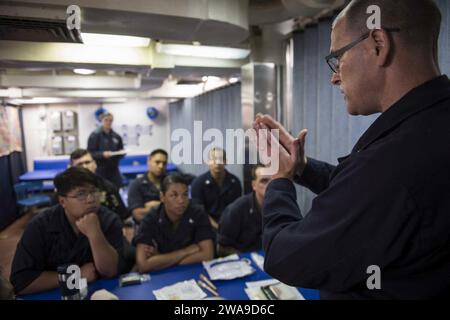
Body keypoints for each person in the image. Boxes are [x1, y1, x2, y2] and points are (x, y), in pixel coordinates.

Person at [254, 0, 450, 299]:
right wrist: (302, 167)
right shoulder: (429, 129)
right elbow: (372, 199)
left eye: (338, 58)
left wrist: (280, 179)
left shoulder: (393, 162)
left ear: (378, 44)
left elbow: (285, 256)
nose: (334, 77)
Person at [10, 167, 124, 295]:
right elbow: (21, 282)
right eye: (81, 194)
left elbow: (110, 271)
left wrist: (95, 234)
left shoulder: (109, 220)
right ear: (62, 201)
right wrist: (75, 276)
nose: (91, 199)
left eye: (94, 191)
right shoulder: (40, 226)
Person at [133, 174, 215, 273]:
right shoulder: (151, 218)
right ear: (162, 197)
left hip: (189, 272)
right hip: (160, 277)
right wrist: (185, 251)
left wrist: (160, 259)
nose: (181, 201)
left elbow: (207, 255)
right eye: (174, 195)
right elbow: (143, 265)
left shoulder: (197, 213)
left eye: (185, 195)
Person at [217, 164, 270, 256]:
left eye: (274, 180)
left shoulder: (283, 206)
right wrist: (249, 258)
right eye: (264, 181)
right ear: (254, 185)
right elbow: (222, 248)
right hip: (244, 261)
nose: (270, 185)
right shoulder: (235, 210)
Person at [191, 147, 242, 230]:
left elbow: (238, 209)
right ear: (208, 162)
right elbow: (199, 212)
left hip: (231, 225)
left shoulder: (235, 182)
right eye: (213, 159)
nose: (217, 163)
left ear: (226, 162)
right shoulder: (198, 183)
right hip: (206, 226)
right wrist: (217, 227)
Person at [70, 149, 128, 221]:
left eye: (87, 162)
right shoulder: (65, 190)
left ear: (95, 164)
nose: (84, 167)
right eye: (79, 164)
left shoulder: (108, 188)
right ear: (72, 168)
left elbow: (123, 216)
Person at [127, 149, 168, 223]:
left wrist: (155, 206)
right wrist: (168, 205)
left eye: (164, 163)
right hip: (147, 230)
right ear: (149, 162)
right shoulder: (136, 185)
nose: (161, 166)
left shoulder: (171, 183)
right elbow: (138, 215)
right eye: (157, 162)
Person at [87, 112, 125, 189]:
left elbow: (121, 151)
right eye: (106, 120)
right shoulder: (94, 135)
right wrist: (102, 154)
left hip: (114, 170)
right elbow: (90, 153)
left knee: (115, 190)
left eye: (110, 120)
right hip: (100, 170)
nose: (108, 122)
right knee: (101, 192)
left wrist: (121, 153)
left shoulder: (116, 136)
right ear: (101, 121)